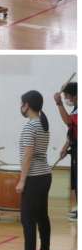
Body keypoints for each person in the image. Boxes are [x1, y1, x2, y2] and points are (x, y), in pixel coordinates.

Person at [16, 90, 52, 250]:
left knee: (28, 220)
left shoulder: (30, 126)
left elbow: (28, 155)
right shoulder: (43, 124)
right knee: (42, 215)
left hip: (33, 178)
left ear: (27, 105)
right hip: (45, 176)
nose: (20, 107)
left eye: (21, 104)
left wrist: (22, 180)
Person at [54, 82, 77, 221]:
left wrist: (59, 103)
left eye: (68, 96)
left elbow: (68, 122)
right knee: (76, 181)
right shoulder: (76, 108)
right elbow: (73, 130)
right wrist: (65, 147)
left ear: (75, 96)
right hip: (75, 147)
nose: (67, 99)